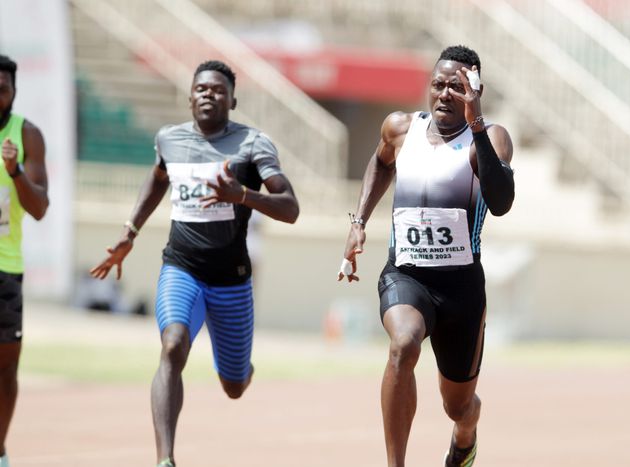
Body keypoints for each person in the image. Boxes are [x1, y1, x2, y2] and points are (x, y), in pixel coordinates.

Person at [90, 60, 299, 467]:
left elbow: (290, 207)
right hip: (181, 269)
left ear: (232, 101)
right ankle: (165, 459)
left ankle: (242, 369)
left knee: (234, 386)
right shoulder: (169, 139)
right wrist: (130, 231)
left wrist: (242, 195)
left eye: (219, 90)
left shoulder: (253, 144)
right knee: (172, 346)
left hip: (231, 280)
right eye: (201, 88)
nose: (209, 94)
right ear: (189, 97)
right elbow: (157, 178)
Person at [338, 45, 514, 467]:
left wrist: (476, 123)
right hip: (407, 274)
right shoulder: (401, 128)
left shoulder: (491, 137)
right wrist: (359, 221)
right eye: (438, 84)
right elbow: (381, 163)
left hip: (460, 288)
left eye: (457, 87)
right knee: (403, 344)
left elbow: (501, 201)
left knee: (458, 406)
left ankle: (466, 435)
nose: (445, 94)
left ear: (475, 90)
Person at [0, 54, 50, 467]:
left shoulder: (27, 135)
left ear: (14, 92)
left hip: (5, 267)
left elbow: (39, 209)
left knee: (5, 370)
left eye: (2, 88)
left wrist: (15, 171)